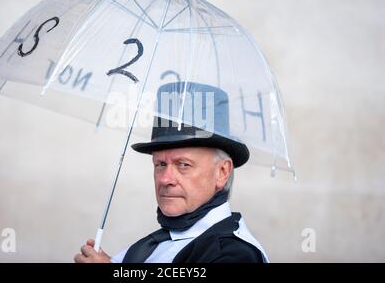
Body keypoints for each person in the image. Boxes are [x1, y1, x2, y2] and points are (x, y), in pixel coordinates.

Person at [74, 82, 269, 263]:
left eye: (183, 165)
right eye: (160, 164)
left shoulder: (235, 254)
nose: (166, 179)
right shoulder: (156, 244)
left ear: (222, 172)